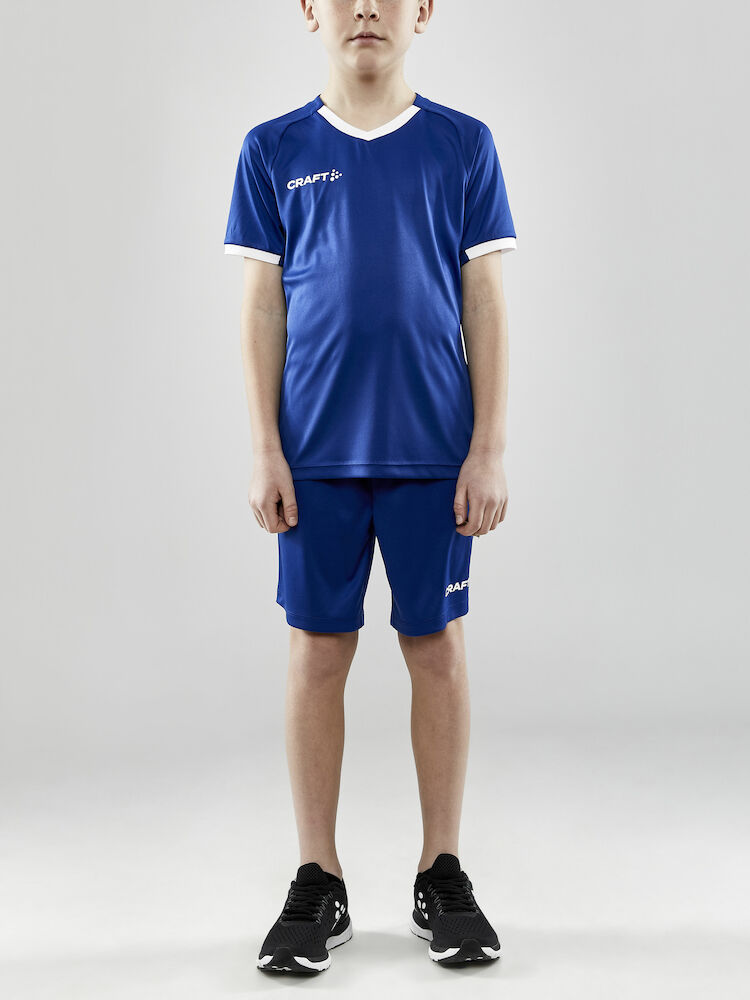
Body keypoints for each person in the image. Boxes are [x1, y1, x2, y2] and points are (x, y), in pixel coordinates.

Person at [224, 0, 517, 974]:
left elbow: (483, 298)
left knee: (435, 646)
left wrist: (487, 446)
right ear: (309, 10)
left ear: (422, 10)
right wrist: (265, 447)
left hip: (435, 449)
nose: (363, 8)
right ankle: (320, 877)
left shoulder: (462, 145)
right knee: (318, 651)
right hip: (315, 455)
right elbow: (263, 305)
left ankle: (442, 872)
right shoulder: (273, 150)